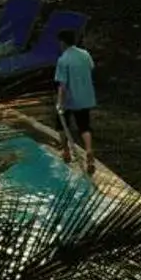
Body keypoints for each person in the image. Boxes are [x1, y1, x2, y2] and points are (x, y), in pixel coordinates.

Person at [54, 28, 98, 177]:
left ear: (62, 42)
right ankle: (89, 150)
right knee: (84, 126)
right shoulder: (85, 54)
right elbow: (91, 68)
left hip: (70, 99)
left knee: (61, 124)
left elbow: (62, 85)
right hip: (86, 96)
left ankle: (65, 151)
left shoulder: (63, 60)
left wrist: (60, 103)